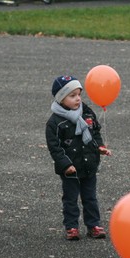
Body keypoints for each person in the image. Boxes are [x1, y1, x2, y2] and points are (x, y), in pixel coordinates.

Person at [45, 75, 111, 240]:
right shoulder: (55, 123)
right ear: (61, 98)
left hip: (89, 164)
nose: (77, 99)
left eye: (79, 94)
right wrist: (66, 164)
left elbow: (95, 132)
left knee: (90, 197)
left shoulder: (87, 113)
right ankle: (71, 226)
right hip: (70, 168)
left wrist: (100, 147)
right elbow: (55, 148)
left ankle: (94, 225)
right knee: (70, 199)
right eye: (72, 95)